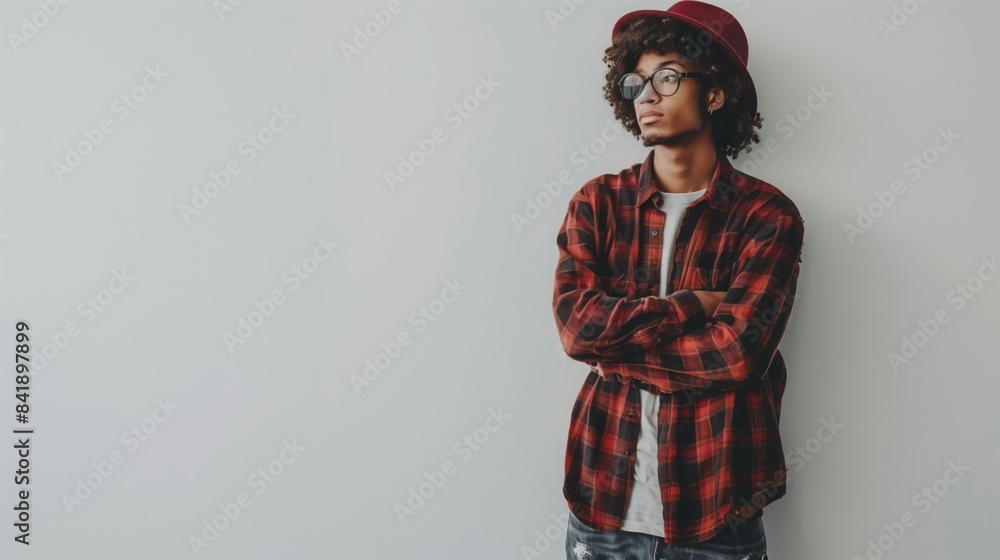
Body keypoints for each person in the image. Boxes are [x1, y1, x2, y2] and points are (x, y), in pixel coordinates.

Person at [552, 2, 805, 558]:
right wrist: (692, 306)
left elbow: (736, 354)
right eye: (636, 81)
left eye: (667, 77)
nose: (646, 96)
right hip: (603, 503)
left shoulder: (767, 217)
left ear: (714, 93)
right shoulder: (597, 203)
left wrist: (614, 354)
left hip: (718, 509)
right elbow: (576, 330)